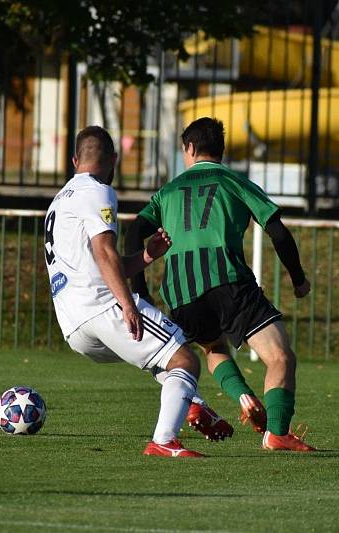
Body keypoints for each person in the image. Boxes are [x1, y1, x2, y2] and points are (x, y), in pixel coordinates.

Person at [127, 117, 316, 452]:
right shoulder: (233, 181)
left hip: (182, 290)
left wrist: (141, 294)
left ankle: (242, 395)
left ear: (189, 147)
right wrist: (298, 279)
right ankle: (277, 433)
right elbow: (278, 233)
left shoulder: (167, 191)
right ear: (221, 150)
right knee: (280, 357)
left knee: (213, 348)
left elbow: (132, 233)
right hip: (229, 281)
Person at [44, 125, 229, 458]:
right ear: (114, 159)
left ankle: (194, 406)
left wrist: (145, 256)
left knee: (162, 360)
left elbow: (97, 262)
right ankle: (163, 441)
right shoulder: (98, 190)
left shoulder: (60, 201)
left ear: (74, 160)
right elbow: (104, 251)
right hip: (102, 306)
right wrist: (128, 304)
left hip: (73, 326)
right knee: (184, 359)